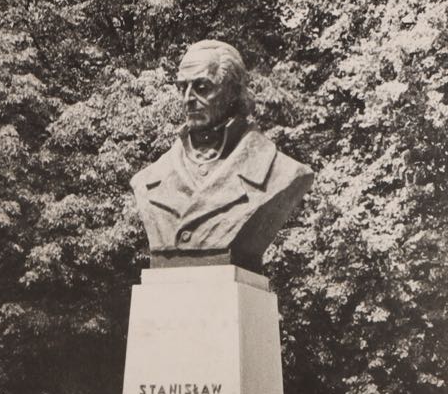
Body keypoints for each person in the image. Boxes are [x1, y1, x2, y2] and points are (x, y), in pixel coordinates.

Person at [130, 39, 314, 271]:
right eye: (182, 87)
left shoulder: (282, 172)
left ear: (233, 92)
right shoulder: (147, 180)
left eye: (202, 87)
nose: (188, 99)